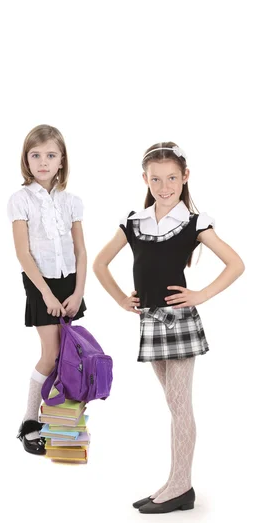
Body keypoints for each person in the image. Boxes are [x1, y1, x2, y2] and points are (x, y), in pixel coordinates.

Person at [93, 142, 244, 513]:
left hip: (178, 322)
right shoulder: (134, 221)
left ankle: (180, 486)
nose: (164, 186)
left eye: (172, 178)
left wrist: (200, 294)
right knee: (173, 404)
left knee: (180, 405)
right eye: (156, 179)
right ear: (145, 179)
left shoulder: (194, 222)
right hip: (150, 321)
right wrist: (120, 299)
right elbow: (100, 264)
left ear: (185, 178)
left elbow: (236, 264)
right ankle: (176, 483)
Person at [7, 125, 87, 455]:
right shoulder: (20, 199)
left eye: (50, 155)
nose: (43, 162)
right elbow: (23, 252)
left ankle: (62, 420)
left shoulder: (71, 202)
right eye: (36, 155)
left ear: (61, 160)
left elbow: (81, 251)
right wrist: (47, 295)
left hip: (69, 283)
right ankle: (29, 421)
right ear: (26, 159)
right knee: (50, 355)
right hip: (41, 284)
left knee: (69, 355)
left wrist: (78, 292)